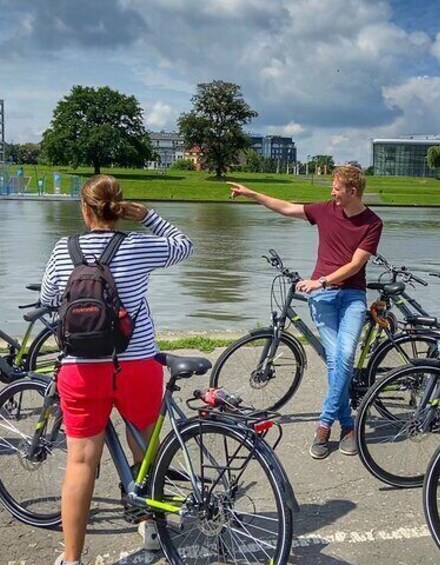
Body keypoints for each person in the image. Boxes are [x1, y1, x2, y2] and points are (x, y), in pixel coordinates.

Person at [40, 175, 193, 565]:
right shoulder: (138, 245)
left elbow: (47, 300)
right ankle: (152, 530)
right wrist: (149, 217)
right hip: (137, 363)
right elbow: (184, 246)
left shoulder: (63, 249)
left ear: (84, 208)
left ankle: (72, 557)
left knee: (80, 463)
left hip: (81, 370)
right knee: (144, 447)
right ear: (121, 209)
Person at [229, 165, 383, 459]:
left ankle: (324, 424)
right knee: (336, 358)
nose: (331, 192)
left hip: (351, 296)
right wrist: (251, 193)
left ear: (352, 191)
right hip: (323, 298)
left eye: (336, 188)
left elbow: (355, 265)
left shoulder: (373, 223)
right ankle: (347, 425)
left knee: (344, 355)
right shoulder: (325, 210)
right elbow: (286, 208)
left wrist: (321, 281)